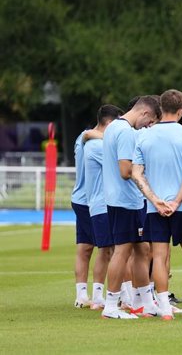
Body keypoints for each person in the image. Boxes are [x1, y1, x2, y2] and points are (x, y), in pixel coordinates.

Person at [132, 89, 182, 320]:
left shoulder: (144, 136)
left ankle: (165, 309)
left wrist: (155, 200)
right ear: (180, 111)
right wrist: (177, 201)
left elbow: (136, 173)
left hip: (154, 207)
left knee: (159, 256)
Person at [101, 95, 161, 319]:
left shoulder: (114, 127)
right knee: (123, 251)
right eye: (150, 120)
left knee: (142, 249)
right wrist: (146, 169)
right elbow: (126, 171)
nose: (148, 126)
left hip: (127, 200)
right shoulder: (125, 131)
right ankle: (110, 306)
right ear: (144, 113)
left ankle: (146, 303)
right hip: (125, 200)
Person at [83, 105, 123, 310]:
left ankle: (102, 295)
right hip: (104, 204)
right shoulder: (98, 146)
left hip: (101, 203)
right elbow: (121, 164)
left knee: (108, 251)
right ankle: (107, 296)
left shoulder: (91, 141)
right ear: (109, 123)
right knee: (116, 250)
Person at [71, 122, 96, 308]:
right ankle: (100, 295)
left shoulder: (83, 136)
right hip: (90, 200)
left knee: (85, 247)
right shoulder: (88, 137)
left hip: (82, 198)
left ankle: (81, 295)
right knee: (110, 249)